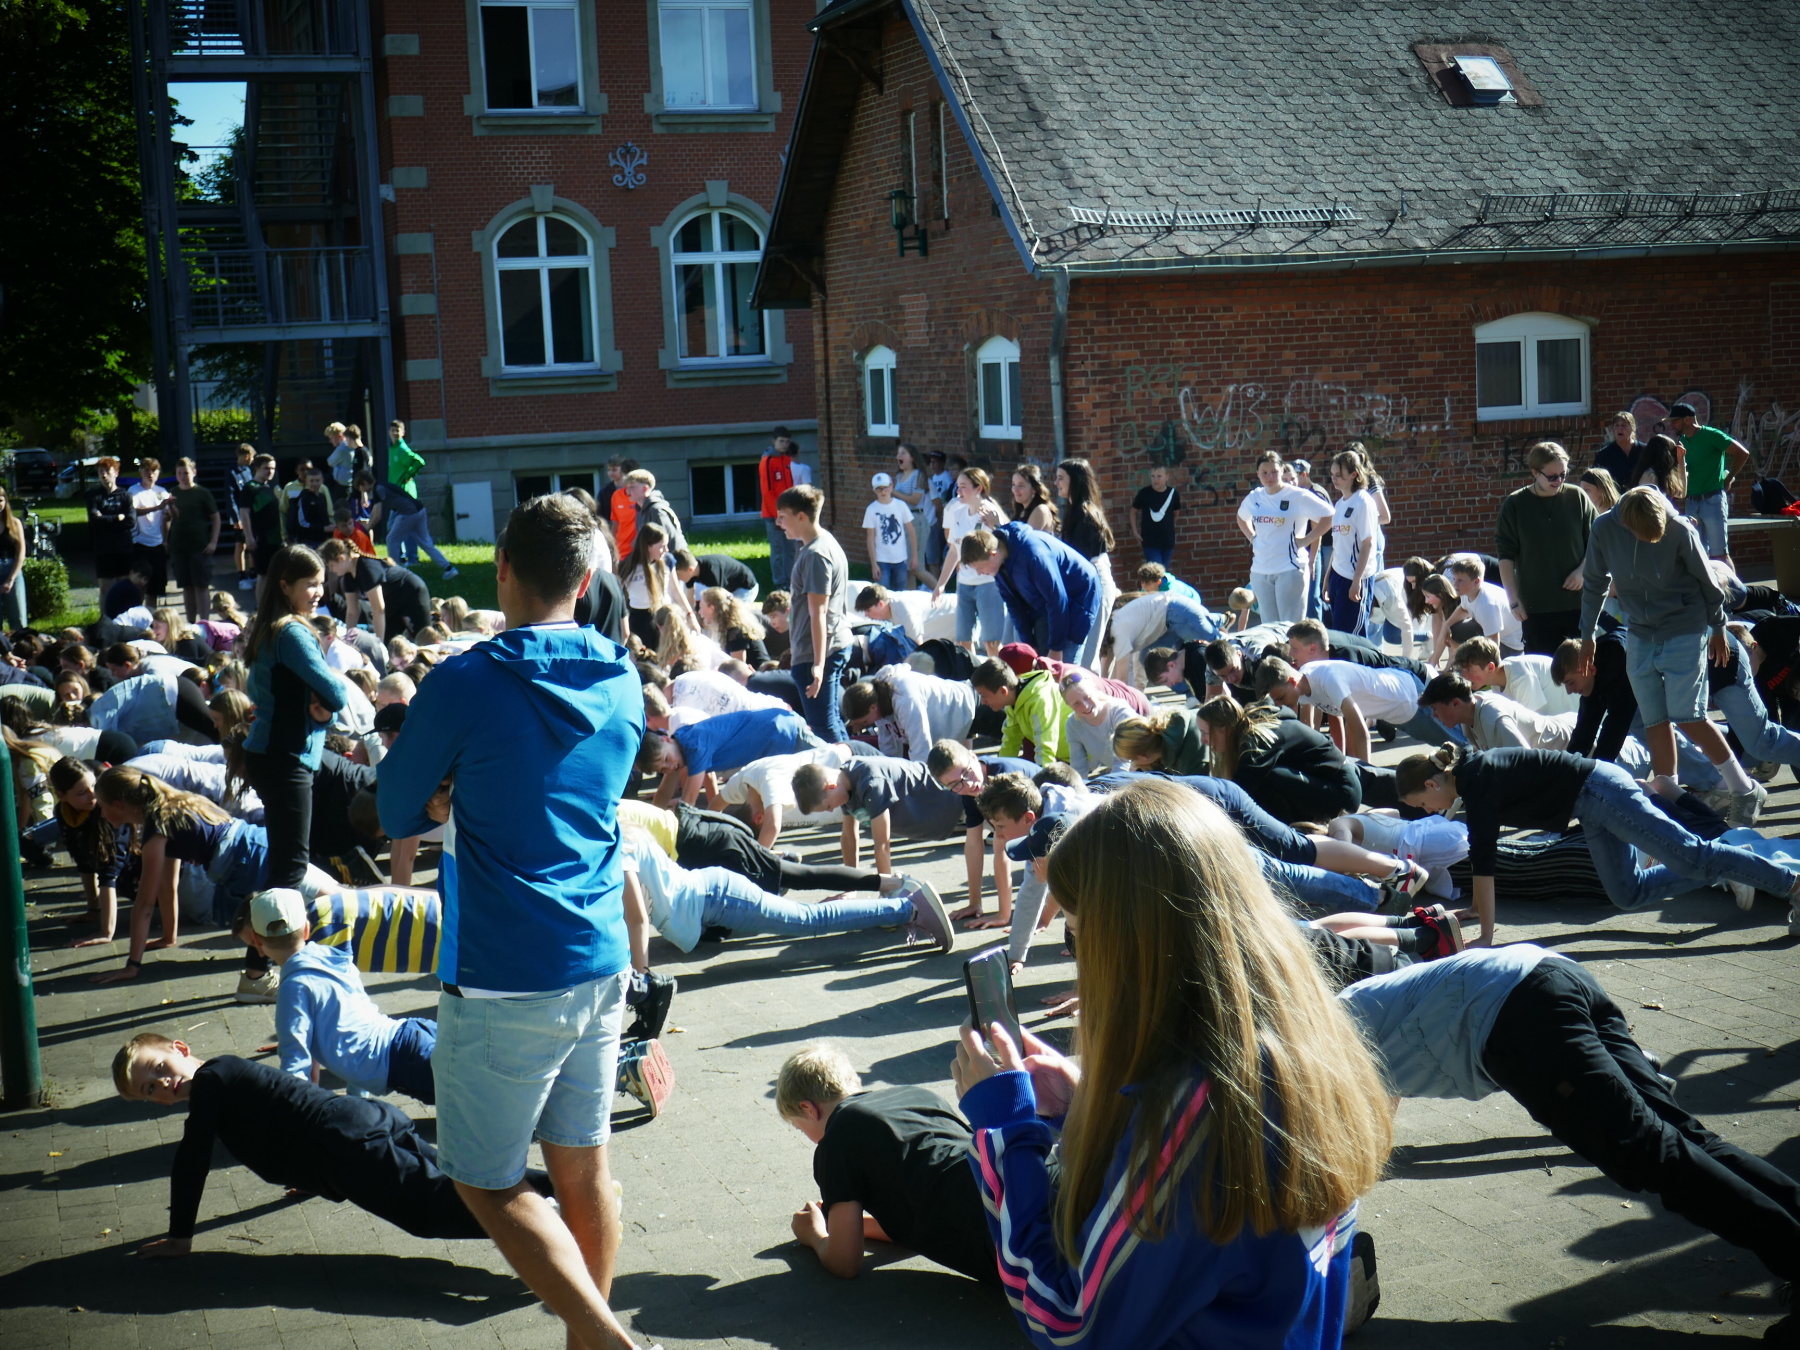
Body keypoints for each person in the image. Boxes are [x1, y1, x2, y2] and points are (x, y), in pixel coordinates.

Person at [949, 779, 1389, 1349]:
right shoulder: (1303, 1038)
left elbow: (1072, 1323)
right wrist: (1089, 1105)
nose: (1081, 963)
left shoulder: (1192, 1115)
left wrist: (1004, 1131)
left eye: (1079, 937)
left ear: (1130, 944)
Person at [376, 492, 648, 1350]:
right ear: (587, 579)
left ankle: (603, 1339)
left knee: (484, 1182)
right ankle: (591, 1341)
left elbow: (393, 808)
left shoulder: (465, 680)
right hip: (600, 952)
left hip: (501, 969)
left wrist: (447, 792)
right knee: (584, 1166)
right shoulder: (622, 674)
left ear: (502, 571)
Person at [1342, 944, 1800, 1336]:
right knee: (1681, 1137)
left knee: (1650, 1154)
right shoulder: (1341, 1017)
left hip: (1511, 1013)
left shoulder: (1311, 1046)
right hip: (1546, 975)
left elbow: (1334, 1149)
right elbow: (1372, 1116)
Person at [113, 1033, 550, 1257]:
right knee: (455, 1180)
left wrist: (180, 1236)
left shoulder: (212, 1079)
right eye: (150, 1089)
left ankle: (547, 1227)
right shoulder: (220, 1085)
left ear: (180, 1048)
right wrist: (311, 1178)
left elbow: (192, 1160)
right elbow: (277, 1122)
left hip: (344, 1143)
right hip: (354, 1126)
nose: (163, 1084)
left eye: (159, 1068)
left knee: (429, 1209)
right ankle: (554, 1190)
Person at [1397, 744, 1799, 946]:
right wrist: (1476, 909)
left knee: (1693, 856)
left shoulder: (1475, 779)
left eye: (1421, 805)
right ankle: (1734, 862)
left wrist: (1486, 935)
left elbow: (1483, 859)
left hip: (1602, 791)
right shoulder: (1471, 774)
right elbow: (1482, 857)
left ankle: (1789, 883)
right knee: (1628, 892)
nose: (1428, 811)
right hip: (1592, 802)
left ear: (1431, 784)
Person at [1578, 485, 1763, 824]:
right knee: (1654, 718)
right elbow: (1594, 583)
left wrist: (1718, 627)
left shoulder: (1679, 529)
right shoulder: (1604, 528)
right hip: (1639, 632)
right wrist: (1587, 634)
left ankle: (1743, 788)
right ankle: (1671, 802)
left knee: (1687, 715)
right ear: (1626, 523)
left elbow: (1708, 582)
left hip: (1685, 627)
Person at [778, 1042, 997, 1282]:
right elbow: (921, 1210)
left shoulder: (838, 1135)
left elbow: (844, 1263)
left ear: (808, 1109)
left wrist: (814, 1233)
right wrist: (847, 1226)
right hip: (1006, 1188)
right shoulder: (918, 1096)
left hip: (1003, 1243)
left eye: (800, 1128)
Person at [241, 545, 349, 991]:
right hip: (285, 759)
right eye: (310, 584)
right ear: (284, 585)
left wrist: (318, 714)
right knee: (289, 873)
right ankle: (257, 972)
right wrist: (327, 709)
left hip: (272, 755)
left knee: (286, 866)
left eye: (322, 583)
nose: (318, 591)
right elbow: (337, 693)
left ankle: (267, 958)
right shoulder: (293, 633)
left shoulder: (271, 626)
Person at [620, 824, 949, 956]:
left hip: (716, 898)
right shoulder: (616, 838)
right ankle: (902, 905)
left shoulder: (618, 850)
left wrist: (641, 976)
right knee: (805, 915)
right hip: (710, 897)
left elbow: (636, 920)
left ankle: (909, 908)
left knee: (810, 920)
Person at [247, 887, 437, 1103]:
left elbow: (295, 1065)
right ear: (307, 929)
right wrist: (357, 1101)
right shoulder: (333, 956)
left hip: (400, 1063)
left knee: (466, 1104)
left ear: (257, 941)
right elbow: (355, 1027)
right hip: (409, 1035)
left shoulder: (294, 988)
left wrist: (298, 1115)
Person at [1196, 695, 1363, 823]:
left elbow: (1239, 789)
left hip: (1342, 792)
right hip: (1328, 784)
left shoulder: (1257, 737)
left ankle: (1288, 838)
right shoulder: (1248, 732)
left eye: (1205, 733)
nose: (1203, 740)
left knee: (1266, 780)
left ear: (1223, 729)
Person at [1496, 441, 1595, 655]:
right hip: (1536, 607)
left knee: (1580, 668)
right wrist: (1513, 600)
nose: (1558, 481)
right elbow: (1505, 555)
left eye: (1563, 475)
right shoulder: (1515, 504)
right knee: (1542, 668)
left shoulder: (1577, 497)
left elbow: (1597, 543)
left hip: (1577, 604)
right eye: (1552, 477)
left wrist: (1582, 571)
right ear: (1535, 472)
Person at [927, 739, 1039, 928]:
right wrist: (974, 902)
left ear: (973, 756)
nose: (969, 784)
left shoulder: (1002, 778)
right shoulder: (969, 791)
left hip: (1058, 811)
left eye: (967, 772)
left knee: (1039, 870)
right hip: (1030, 823)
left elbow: (1002, 846)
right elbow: (973, 844)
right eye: (955, 785)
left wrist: (1003, 915)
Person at [960, 524, 1100, 667]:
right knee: (1040, 662)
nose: (979, 573)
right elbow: (1015, 607)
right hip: (1045, 605)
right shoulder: (999, 566)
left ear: (993, 554)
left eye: (980, 568)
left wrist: (1056, 649)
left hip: (1077, 597)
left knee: (1062, 666)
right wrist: (1030, 646)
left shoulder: (1034, 554)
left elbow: (1057, 599)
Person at [778, 484, 855, 742]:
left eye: (783, 516)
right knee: (829, 721)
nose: (778, 523)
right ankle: (851, 764)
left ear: (801, 516)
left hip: (818, 653)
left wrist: (818, 666)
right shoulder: (820, 544)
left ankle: (847, 767)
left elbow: (818, 612)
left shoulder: (816, 554)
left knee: (823, 727)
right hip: (823, 648)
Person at [637, 706, 820, 804]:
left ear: (666, 739)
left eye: (666, 760)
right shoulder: (680, 745)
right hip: (774, 739)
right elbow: (664, 792)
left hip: (783, 731)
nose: (670, 767)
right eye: (663, 769)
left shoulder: (694, 747)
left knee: (829, 759)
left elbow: (688, 802)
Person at [1237, 451, 1333, 624]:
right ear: (1258, 474)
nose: (1269, 477)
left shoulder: (1297, 495)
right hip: (1261, 570)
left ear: (1282, 470)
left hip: (1290, 569)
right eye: (1264, 473)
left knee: (1290, 626)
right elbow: (1241, 517)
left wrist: (1306, 540)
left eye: (1274, 472)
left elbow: (1330, 516)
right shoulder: (1255, 496)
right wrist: (1252, 537)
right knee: (1269, 626)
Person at [933, 466, 1008, 655]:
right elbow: (954, 551)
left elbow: (1005, 546)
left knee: (992, 641)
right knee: (962, 639)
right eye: (957, 486)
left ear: (978, 488)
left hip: (988, 583)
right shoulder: (957, 512)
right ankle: (971, 671)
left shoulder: (990, 514)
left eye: (963, 487)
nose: (958, 491)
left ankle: (996, 671)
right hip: (964, 584)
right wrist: (941, 584)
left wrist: (997, 525)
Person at [840, 664, 977, 763]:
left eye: (865, 722)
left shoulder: (905, 699)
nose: (867, 724)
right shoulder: (879, 704)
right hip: (950, 718)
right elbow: (889, 747)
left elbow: (921, 749)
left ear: (873, 707)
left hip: (969, 705)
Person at [1055, 458, 1118, 671]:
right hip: (1086, 583)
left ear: (1075, 481)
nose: (1056, 483)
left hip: (1094, 583)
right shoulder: (1075, 510)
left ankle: (1090, 691)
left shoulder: (1085, 514)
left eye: (1061, 478)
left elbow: (1080, 559)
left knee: (1088, 654)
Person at [1668, 401, 1751, 562]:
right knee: (1697, 555)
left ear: (1687, 420)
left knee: (1719, 554)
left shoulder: (1711, 435)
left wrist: (1728, 479)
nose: (1672, 425)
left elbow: (1743, 453)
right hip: (1691, 502)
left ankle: (1729, 580)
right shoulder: (1682, 441)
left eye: (1675, 421)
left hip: (1712, 500)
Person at [320, 539, 430, 642]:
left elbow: (378, 608)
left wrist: (378, 643)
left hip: (412, 594)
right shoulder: (348, 577)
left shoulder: (366, 568)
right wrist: (348, 639)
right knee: (390, 642)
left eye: (331, 566)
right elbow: (352, 612)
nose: (331, 570)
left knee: (422, 637)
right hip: (393, 603)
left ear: (341, 558)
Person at [971, 657, 1069, 764]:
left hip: (1078, 756)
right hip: (1067, 757)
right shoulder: (1013, 701)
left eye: (984, 696)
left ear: (1003, 691)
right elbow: (1010, 742)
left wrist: (1044, 775)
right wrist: (999, 769)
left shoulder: (1040, 700)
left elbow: (1045, 748)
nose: (983, 702)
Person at [1325, 449, 1380, 635]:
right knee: (1338, 634)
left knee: (1354, 636)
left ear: (1354, 474)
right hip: (1338, 575)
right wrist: (1328, 577)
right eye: (1332, 474)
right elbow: (1338, 545)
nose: (1334, 479)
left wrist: (1357, 581)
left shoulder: (1363, 502)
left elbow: (1367, 543)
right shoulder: (1340, 503)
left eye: (1339, 475)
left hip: (1355, 577)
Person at [1452, 635, 1575, 715]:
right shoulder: (1496, 681)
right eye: (1463, 670)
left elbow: (1532, 723)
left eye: (1470, 670)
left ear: (1490, 667)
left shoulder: (1520, 677)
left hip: (1570, 718)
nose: (1464, 676)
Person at [1435, 555, 1523, 660]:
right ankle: (1466, 660)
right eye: (1454, 579)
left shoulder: (1487, 604)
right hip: (1492, 633)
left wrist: (1489, 663)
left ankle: (1473, 662)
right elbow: (1463, 609)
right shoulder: (1468, 591)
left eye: (1460, 580)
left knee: (1479, 657)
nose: (1455, 584)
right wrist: (1447, 625)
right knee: (1454, 630)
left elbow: (1493, 642)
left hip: (1509, 645)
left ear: (1476, 582)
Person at [1057, 668, 1134, 779]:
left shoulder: (1119, 712)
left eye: (1087, 697)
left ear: (1094, 689)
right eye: (1076, 703)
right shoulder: (1073, 725)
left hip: (1145, 766)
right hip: (1119, 771)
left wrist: (1113, 784)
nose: (1085, 706)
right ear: (1069, 705)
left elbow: (1124, 760)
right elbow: (1078, 767)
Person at [87, 457, 135, 604]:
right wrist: (117, 518)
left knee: (123, 587)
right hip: (103, 549)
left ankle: (124, 616)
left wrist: (104, 518)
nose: (104, 474)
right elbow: (94, 521)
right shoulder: (94, 496)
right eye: (100, 471)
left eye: (107, 471)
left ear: (116, 473)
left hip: (123, 548)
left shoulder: (125, 496)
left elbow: (130, 521)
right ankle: (105, 616)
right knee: (105, 589)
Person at [1110, 707, 1209, 776]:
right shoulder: (1176, 720)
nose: (1133, 764)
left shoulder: (1191, 766)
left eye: (1132, 760)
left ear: (1143, 757)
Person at [861, 472, 918, 591]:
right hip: (882, 560)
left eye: (885, 488)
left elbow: (911, 531)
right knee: (882, 593)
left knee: (900, 593)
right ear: (874, 490)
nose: (883, 492)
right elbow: (870, 538)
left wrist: (914, 556)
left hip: (900, 558)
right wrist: (874, 564)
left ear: (891, 486)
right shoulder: (871, 509)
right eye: (879, 489)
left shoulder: (901, 505)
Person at [890, 444, 936, 587]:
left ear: (912, 458)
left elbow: (915, 500)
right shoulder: (899, 476)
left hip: (917, 521)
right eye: (898, 453)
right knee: (907, 568)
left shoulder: (918, 475)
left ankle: (941, 593)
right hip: (902, 522)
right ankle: (910, 597)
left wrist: (893, 492)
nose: (899, 456)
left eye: (903, 453)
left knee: (916, 567)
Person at [237, 454, 282, 597]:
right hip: (261, 538)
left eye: (273, 468)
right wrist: (249, 537)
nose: (270, 471)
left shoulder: (271, 487)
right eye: (266, 468)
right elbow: (244, 513)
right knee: (263, 574)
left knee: (277, 574)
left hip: (276, 538)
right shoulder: (250, 488)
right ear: (257, 468)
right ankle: (261, 606)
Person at [759, 428, 800, 583]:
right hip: (773, 514)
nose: (784, 444)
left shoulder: (787, 460)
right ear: (774, 441)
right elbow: (767, 491)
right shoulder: (767, 461)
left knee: (790, 548)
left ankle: (790, 580)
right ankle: (779, 582)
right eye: (781, 441)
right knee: (777, 551)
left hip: (788, 512)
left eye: (787, 442)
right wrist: (777, 515)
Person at [131, 457, 173, 605]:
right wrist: (156, 508)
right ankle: (137, 614)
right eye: (147, 471)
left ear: (158, 473)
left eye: (153, 471)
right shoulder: (134, 491)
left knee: (154, 588)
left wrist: (165, 540)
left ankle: (151, 616)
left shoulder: (162, 492)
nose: (150, 474)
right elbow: (133, 512)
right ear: (141, 472)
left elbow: (167, 517)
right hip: (140, 543)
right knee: (139, 585)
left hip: (158, 544)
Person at [1131, 463, 1184, 569]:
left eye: (1159, 476)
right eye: (1153, 476)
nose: (1155, 480)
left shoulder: (1173, 494)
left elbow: (1176, 513)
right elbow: (1133, 512)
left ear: (1167, 477)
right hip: (1150, 541)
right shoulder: (1144, 493)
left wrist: (1169, 526)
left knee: (1165, 571)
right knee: (1157, 571)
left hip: (1167, 541)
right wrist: (1135, 532)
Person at [675, 550, 758, 604]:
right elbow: (690, 597)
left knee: (730, 614)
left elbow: (720, 600)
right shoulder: (691, 570)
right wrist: (691, 614)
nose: (677, 578)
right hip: (727, 588)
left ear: (690, 570)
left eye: (678, 575)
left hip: (744, 588)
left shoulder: (712, 572)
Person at [1593, 411, 1645, 486]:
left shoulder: (1644, 450)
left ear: (1632, 428)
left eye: (1624, 425)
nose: (1620, 428)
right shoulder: (1604, 455)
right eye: (1617, 425)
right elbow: (1595, 479)